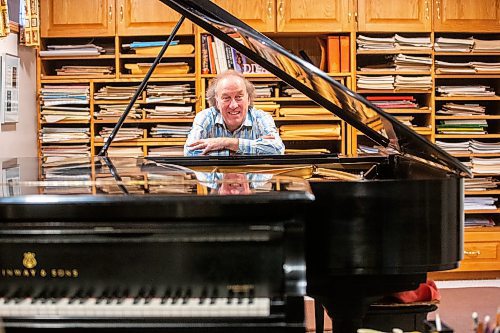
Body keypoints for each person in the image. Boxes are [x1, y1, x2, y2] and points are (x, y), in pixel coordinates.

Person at [184, 70, 284, 156]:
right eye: (226, 98)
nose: (233, 105)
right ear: (217, 102)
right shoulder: (205, 117)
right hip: (216, 177)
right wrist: (253, 147)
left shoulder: (261, 117)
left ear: (248, 99)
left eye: (239, 97)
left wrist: (225, 143)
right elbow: (189, 152)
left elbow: (277, 150)